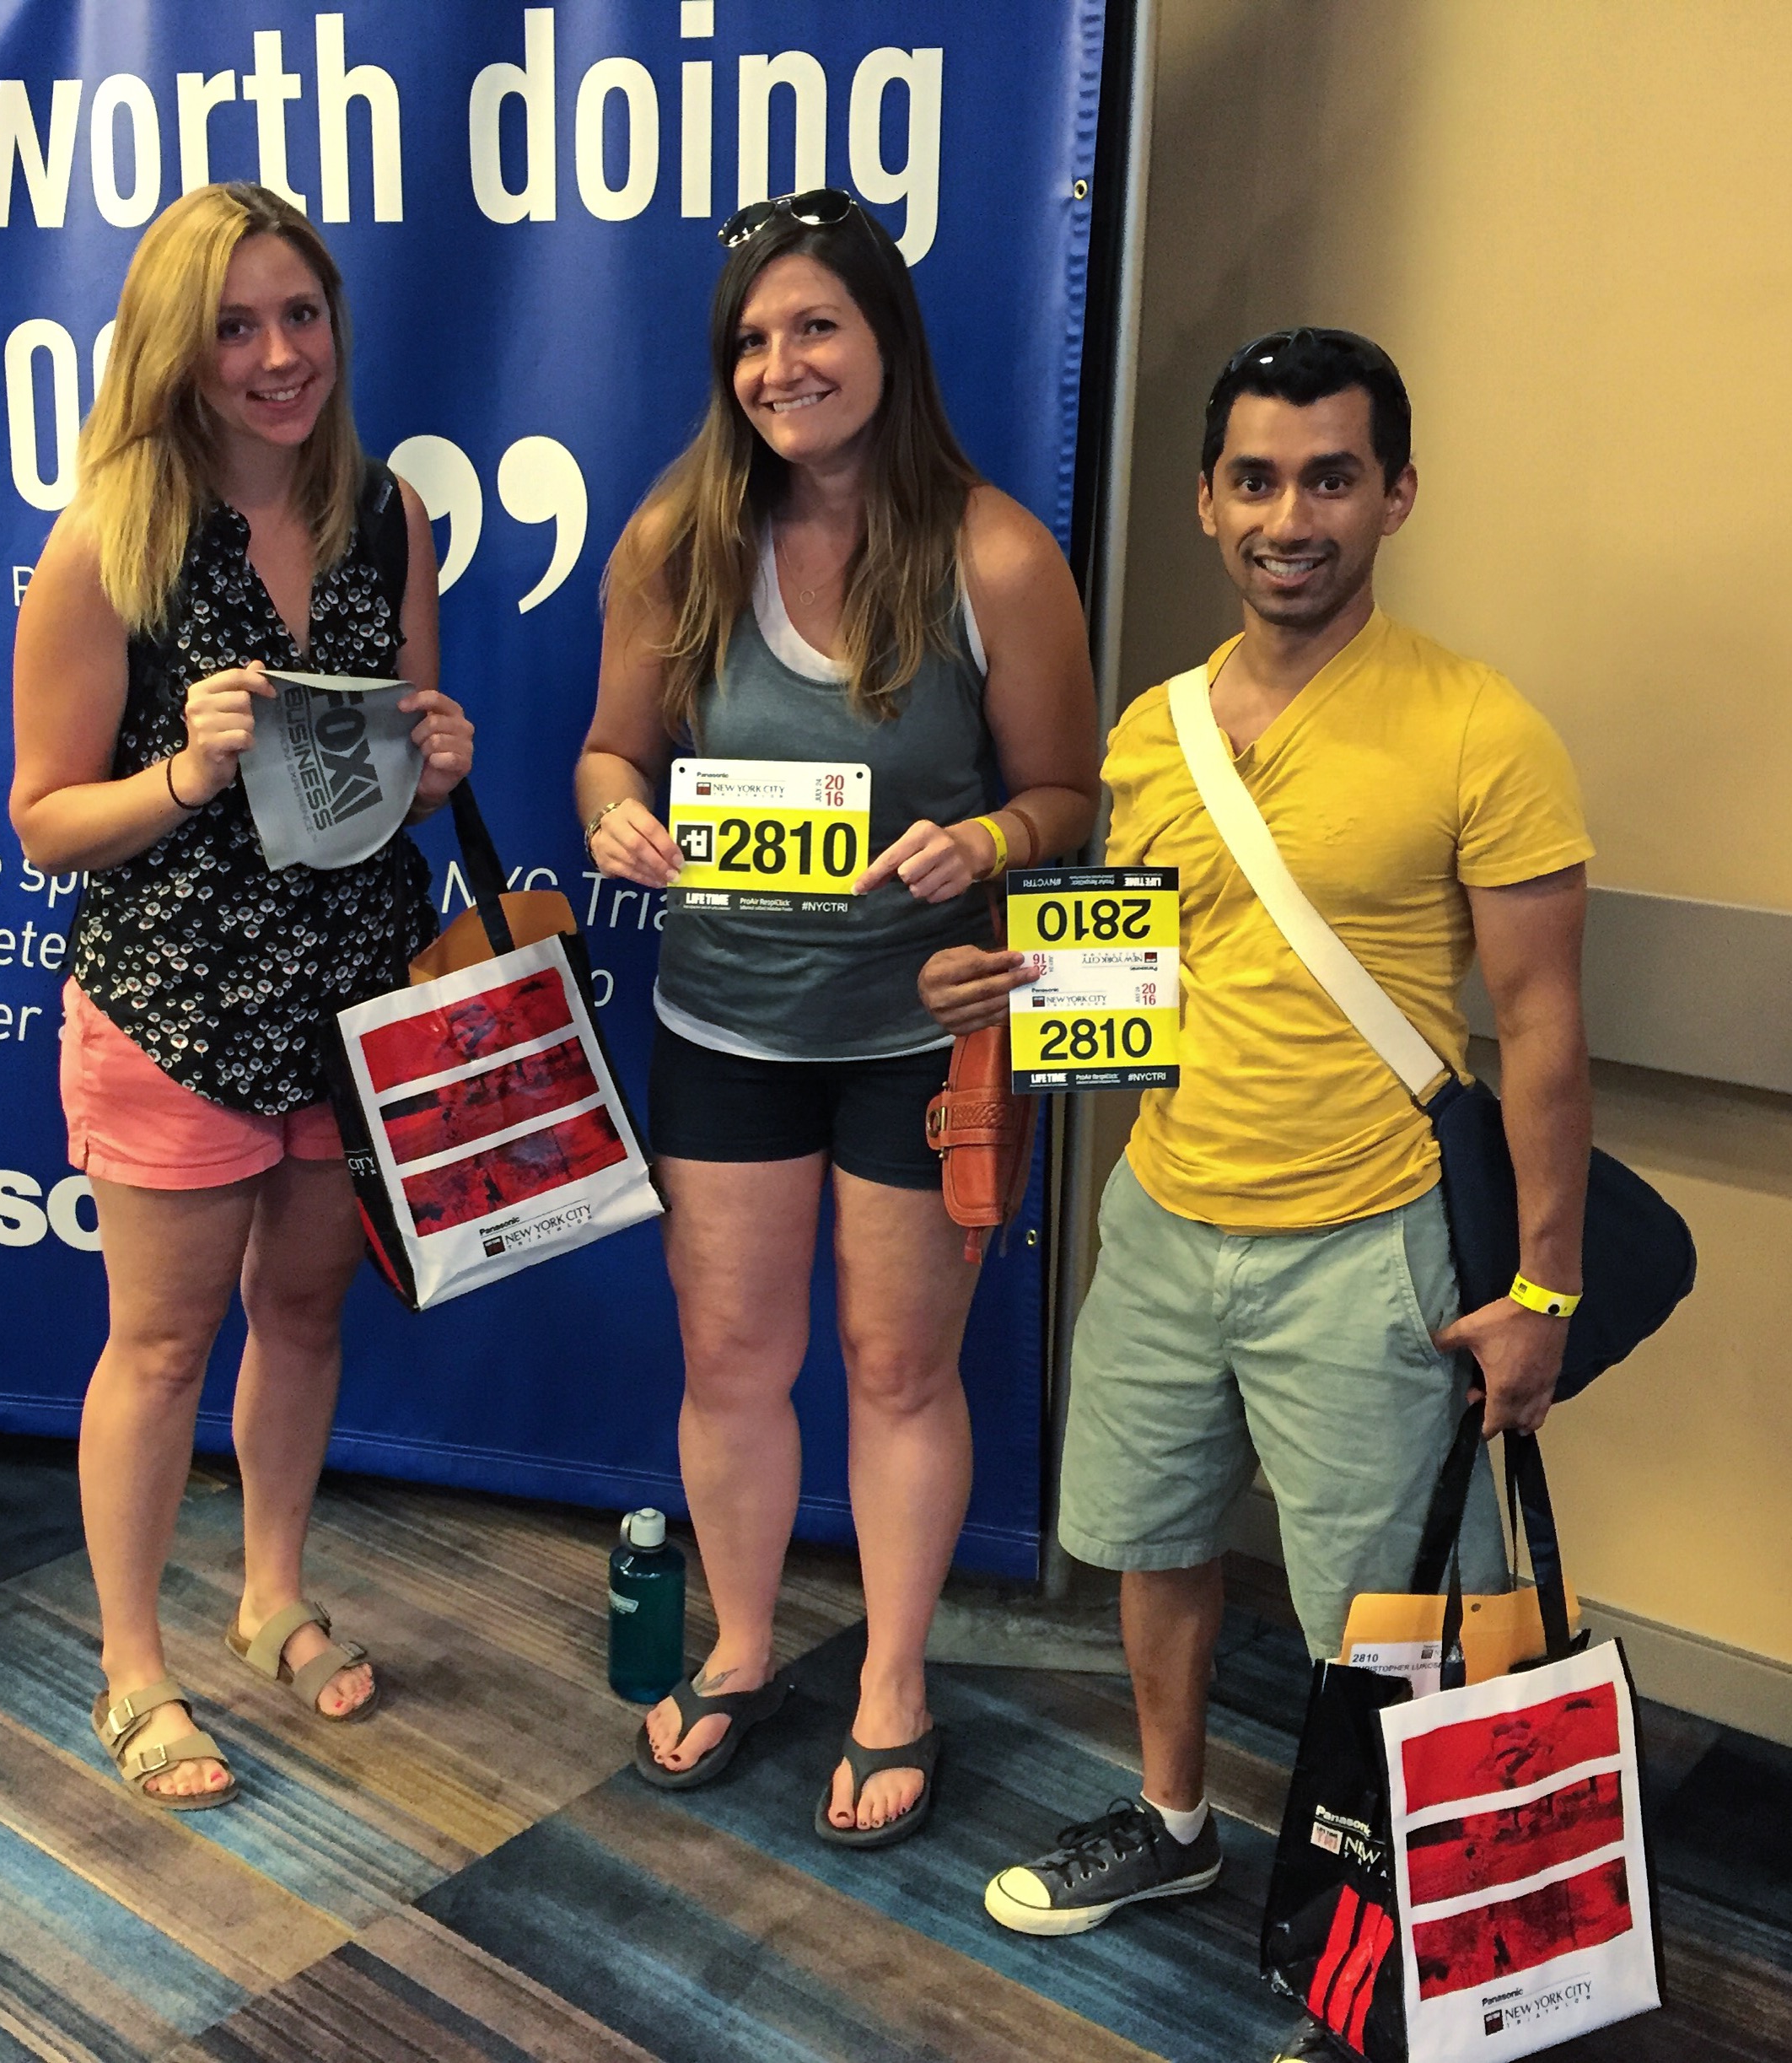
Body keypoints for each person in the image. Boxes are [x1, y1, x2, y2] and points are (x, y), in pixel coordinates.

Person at [924, 328, 1591, 2028]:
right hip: (1161, 1214)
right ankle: (1170, 1822)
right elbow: (1138, 984)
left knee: (1387, 1619)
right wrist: (1004, 987)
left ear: (1394, 494)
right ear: (1207, 503)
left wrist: (1541, 1288)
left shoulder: (1478, 726)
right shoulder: (1150, 732)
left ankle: (1398, 1933)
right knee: (1150, 1546)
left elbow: (1538, 1027)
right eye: (1255, 480)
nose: (1290, 516)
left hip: (1364, 1245)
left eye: (1329, 478)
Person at [578, 189, 1098, 1845]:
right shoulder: (678, 539)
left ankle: (889, 1681)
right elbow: (609, 749)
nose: (781, 365)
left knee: (895, 1365)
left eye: (814, 326)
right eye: (751, 338)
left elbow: (1066, 794)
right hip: (726, 1023)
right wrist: (611, 814)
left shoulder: (991, 554)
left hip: (917, 1037)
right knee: (731, 1358)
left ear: (885, 341)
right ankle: (740, 1645)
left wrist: (988, 841)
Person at [9, 182, 472, 1808]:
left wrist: (435, 760)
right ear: (174, 350)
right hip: (176, 1012)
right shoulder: (108, 544)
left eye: (301, 316)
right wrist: (180, 773)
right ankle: (131, 1667)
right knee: (157, 1345)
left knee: (305, 1312)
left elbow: (395, 762)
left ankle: (270, 1591)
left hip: (347, 1009)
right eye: (234, 327)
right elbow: (44, 817)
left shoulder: (385, 514)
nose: (279, 356)